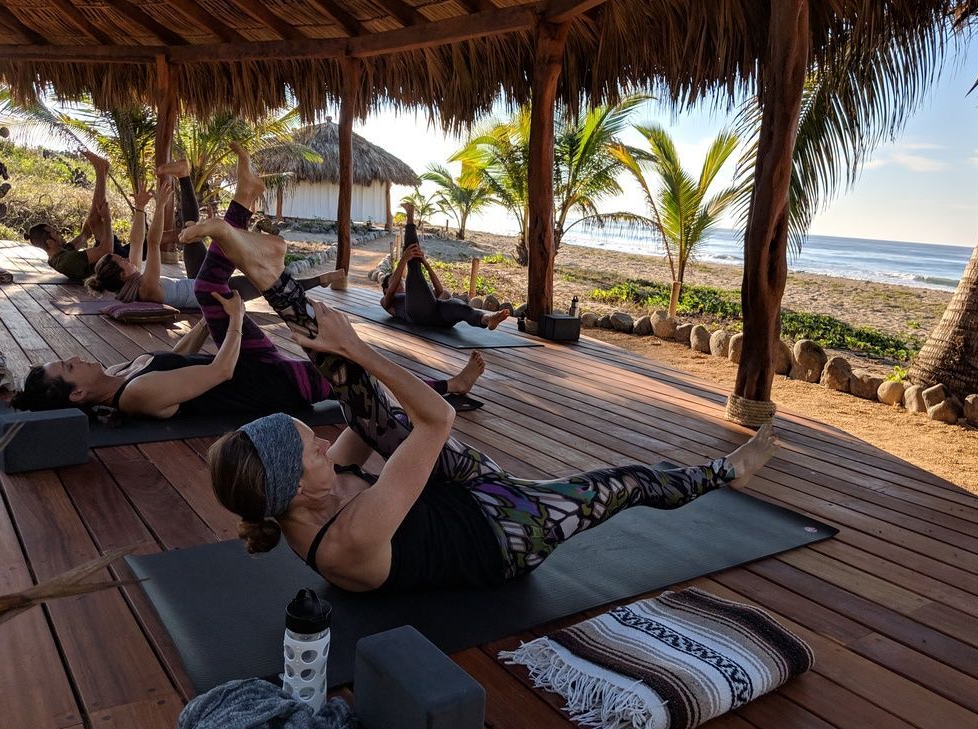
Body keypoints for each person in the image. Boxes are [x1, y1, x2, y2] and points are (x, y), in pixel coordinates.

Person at [186, 210, 779, 593]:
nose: (320, 442)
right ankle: (727, 471)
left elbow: (367, 419)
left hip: (456, 493)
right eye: (309, 449)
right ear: (294, 486)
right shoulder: (349, 539)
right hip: (507, 535)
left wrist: (342, 357)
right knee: (627, 483)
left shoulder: (304, 492)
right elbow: (436, 422)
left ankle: (273, 280)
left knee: (369, 412)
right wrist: (359, 350)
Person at [11, 149, 484, 419]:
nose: (73, 358)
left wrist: (208, 321)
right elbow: (216, 375)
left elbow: (178, 361)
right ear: (76, 394)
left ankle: (240, 205)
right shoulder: (131, 396)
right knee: (352, 376)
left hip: (242, 360)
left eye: (66, 357)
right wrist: (234, 320)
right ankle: (448, 386)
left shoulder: (121, 373)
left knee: (205, 287)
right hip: (265, 385)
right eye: (67, 367)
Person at [84, 154, 343, 307]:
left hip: (197, 279)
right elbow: (151, 245)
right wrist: (159, 206)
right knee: (265, 282)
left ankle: (191, 178)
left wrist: (140, 209)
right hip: (211, 292)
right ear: (121, 274)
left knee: (193, 234)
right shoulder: (146, 289)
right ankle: (319, 280)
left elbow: (137, 240)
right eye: (122, 261)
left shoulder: (132, 282)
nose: (126, 259)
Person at [380, 203, 510, 331]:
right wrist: (404, 258)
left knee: (458, 306)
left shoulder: (416, 292)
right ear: (385, 290)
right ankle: (410, 216)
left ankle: (487, 318)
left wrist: (425, 262)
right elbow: (391, 290)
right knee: (413, 266)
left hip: (440, 315)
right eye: (395, 279)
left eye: (399, 280)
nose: (400, 281)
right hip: (419, 315)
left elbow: (440, 290)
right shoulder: (387, 302)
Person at [25, 151, 131, 282]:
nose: (60, 233)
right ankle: (101, 170)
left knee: (93, 220)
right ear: (50, 242)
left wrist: (95, 209)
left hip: (113, 254)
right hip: (118, 263)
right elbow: (106, 251)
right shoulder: (67, 261)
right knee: (150, 242)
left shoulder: (58, 253)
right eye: (56, 233)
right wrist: (107, 219)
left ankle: (101, 171)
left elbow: (85, 234)